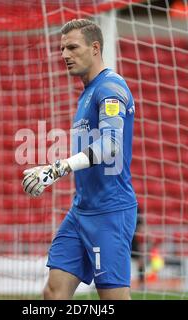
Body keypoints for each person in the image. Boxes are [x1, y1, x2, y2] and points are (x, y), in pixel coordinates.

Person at [22, 19, 137, 300]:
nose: (64, 55)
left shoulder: (110, 88)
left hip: (110, 212)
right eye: (62, 49)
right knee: (53, 292)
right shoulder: (87, 93)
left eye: (72, 47)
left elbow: (110, 146)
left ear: (95, 48)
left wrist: (56, 169)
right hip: (81, 211)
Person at [131, 207, 145, 291]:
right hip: (120, 237)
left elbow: (140, 225)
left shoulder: (137, 208)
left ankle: (141, 283)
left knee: (140, 261)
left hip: (132, 238)